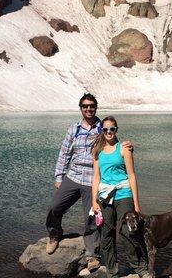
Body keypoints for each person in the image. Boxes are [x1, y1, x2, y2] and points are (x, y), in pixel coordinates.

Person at [45, 94, 132, 272]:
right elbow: (64, 153)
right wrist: (59, 176)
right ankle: (55, 234)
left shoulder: (103, 128)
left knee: (92, 218)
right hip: (73, 176)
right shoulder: (73, 129)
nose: (89, 109)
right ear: (81, 108)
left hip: (92, 180)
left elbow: (114, 144)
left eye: (92, 106)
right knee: (55, 207)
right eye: (85, 106)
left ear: (96, 107)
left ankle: (92, 255)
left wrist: (129, 146)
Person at [91, 116, 148, 278]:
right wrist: (94, 201)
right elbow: (96, 177)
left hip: (124, 194)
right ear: (101, 131)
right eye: (105, 129)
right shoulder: (97, 151)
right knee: (107, 235)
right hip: (105, 197)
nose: (108, 132)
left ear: (116, 130)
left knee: (128, 231)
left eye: (112, 129)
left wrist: (136, 203)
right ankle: (112, 271)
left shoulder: (124, 148)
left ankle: (140, 267)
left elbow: (131, 175)